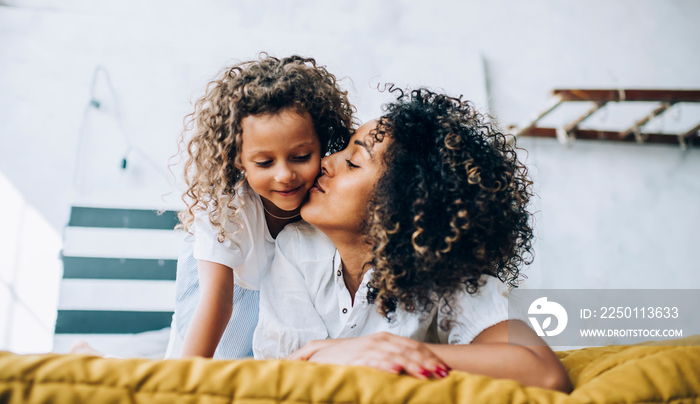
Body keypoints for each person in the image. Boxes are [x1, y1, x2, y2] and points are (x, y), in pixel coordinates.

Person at [254, 88, 572, 392]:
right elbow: (287, 374)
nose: (326, 161)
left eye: (352, 162)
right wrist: (352, 354)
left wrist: (387, 352)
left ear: (405, 204)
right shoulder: (295, 247)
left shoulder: (445, 279)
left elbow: (542, 373)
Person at [167, 54, 354, 358]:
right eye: (265, 162)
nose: (284, 175)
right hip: (218, 304)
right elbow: (217, 299)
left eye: (301, 157)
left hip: (281, 316)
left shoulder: (326, 205)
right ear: (238, 158)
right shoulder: (226, 210)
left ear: (322, 144)